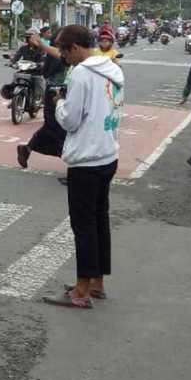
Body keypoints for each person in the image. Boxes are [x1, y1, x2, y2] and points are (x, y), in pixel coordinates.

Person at [48, 25, 124, 309]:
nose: (63, 57)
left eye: (64, 51)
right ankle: (97, 282)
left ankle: (81, 291)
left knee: (84, 226)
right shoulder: (113, 69)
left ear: (76, 48)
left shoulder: (81, 73)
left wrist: (59, 102)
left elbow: (70, 120)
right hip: (108, 154)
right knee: (99, 220)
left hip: (86, 159)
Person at [16, 29, 69, 180]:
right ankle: (74, 163)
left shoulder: (66, 54)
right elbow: (46, 71)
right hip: (55, 92)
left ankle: (27, 148)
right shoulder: (59, 55)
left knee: (55, 127)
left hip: (64, 92)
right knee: (58, 127)